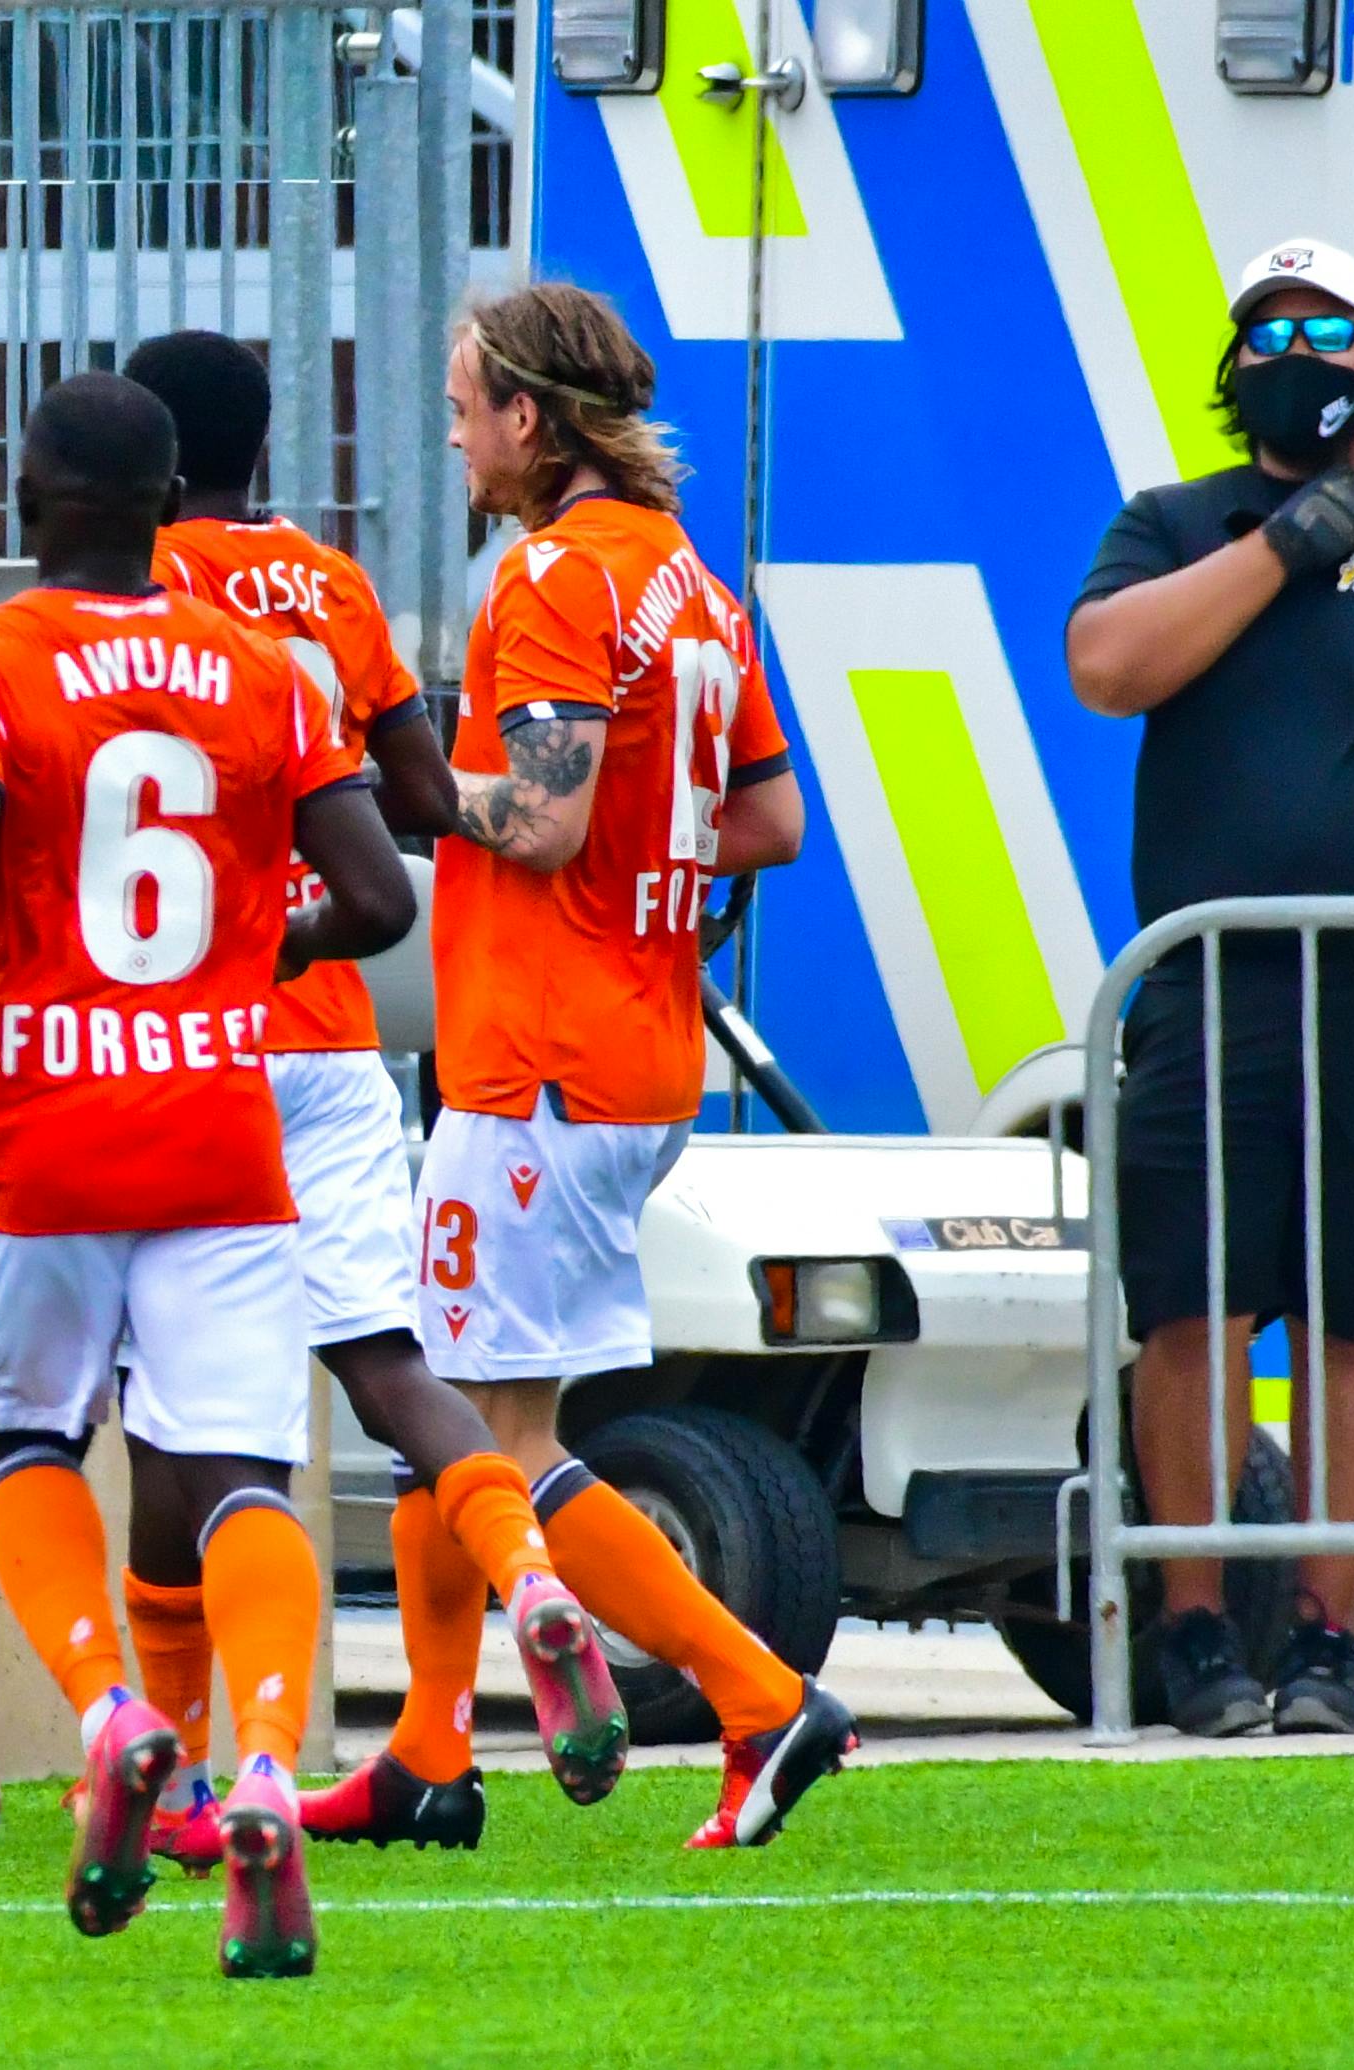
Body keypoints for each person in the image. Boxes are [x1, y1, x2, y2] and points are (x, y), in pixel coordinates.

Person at [0, 371, 423, 1981]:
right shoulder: (267, 670)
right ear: (163, 499)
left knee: (26, 1438)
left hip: (41, 1136)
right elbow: (377, 895)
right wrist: (261, 946)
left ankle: (114, 1709)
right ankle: (266, 1761)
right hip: (218, 1125)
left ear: (29, 489)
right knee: (241, 1477)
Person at [123, 329, 627, 1863]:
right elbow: (415, 803)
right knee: (394, 1369)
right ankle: (528, 1571)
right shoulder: (332, 591)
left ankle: (189, 1770)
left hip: (182, 1038)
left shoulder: (123, 588)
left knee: (190, 1426)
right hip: (335, 1033)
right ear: (268, 444)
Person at [405, 282, 851, 1850]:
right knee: (455, 1403)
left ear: (529, 420)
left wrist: (394, 779)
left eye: (467, 408)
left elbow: (538, 816)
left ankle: (753, 1692)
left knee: (484, 1436)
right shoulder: (690, 582)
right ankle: (423, 1748)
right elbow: (771, 822)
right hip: (638, 1045)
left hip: (538, 1055)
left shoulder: (547, 576)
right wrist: (646, 858)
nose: (455, 437)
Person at [1067, 236, 1354, 1737]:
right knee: (1191, 1306)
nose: (1300, 352)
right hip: (1206, 989)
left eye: (1332, 331)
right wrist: (1286, 542)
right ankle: (1198, 1631)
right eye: (1272, 328)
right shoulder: (1176, 523)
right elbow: (1107, 666)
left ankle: (1328, 1637)